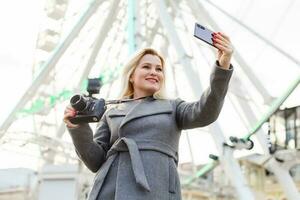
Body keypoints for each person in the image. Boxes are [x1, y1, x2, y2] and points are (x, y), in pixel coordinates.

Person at [63, 32, 234, 200]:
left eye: (159, 69)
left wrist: (223, 65)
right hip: (111, 189)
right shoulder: (112, 111)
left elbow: (206, 112)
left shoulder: (173, 107)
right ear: (131, 75)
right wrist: (77, 128)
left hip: (155, 189)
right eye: (146, 67)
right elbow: (95, 161)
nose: (154, 72)